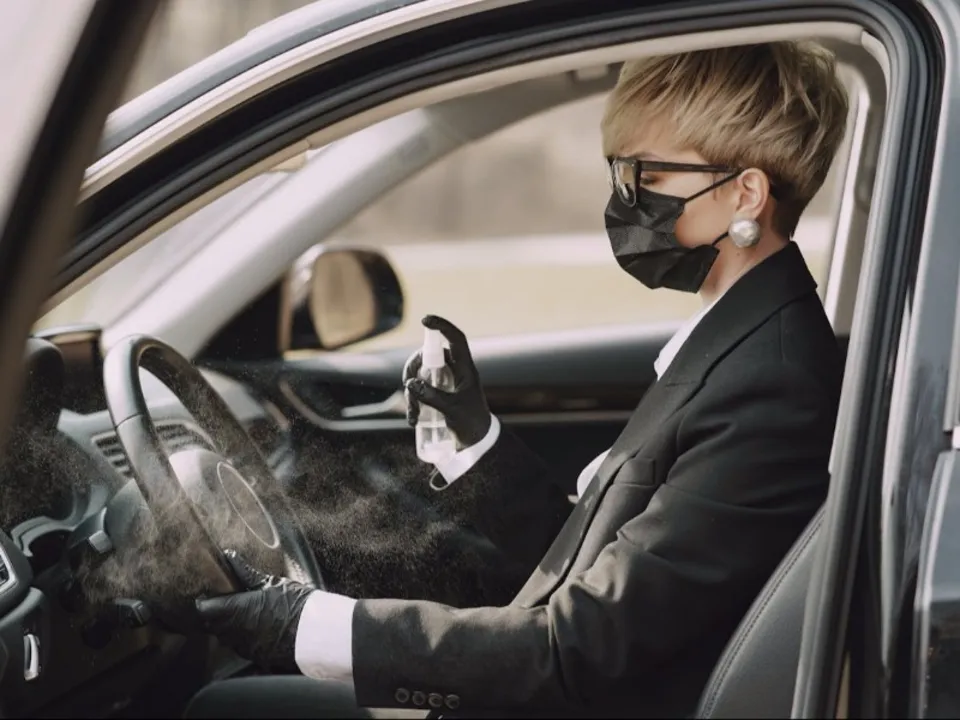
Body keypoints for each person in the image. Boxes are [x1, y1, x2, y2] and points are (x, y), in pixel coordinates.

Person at [187, 40, 848, 718]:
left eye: (645, 175)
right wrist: (475, 439)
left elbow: (581, 646)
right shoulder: (737, 344)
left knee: (222, 709)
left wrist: (311, 626)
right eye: (619, 173)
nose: (623, 200)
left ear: (746, 192)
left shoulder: (769, 384)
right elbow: (599, 570)